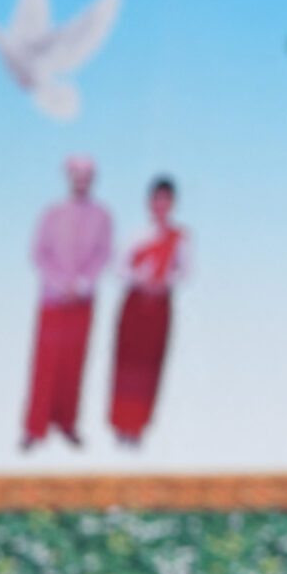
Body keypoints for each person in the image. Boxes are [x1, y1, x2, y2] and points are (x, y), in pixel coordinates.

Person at [24, 155, 113, 448]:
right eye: (77, 176)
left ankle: (67, 423)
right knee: (46, 361)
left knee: (73, 363)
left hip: (83, 301)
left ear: (93, 180)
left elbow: (103, 254)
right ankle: (35, 428)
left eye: (87, 176)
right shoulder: (52, 213)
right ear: (68, 178)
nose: (81, 182)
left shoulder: (103, 216)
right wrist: (61, 283)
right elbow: (39, 253)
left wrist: (83, 282)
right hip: (53, 298)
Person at [108, 176, 184, 445]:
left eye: (167, 200)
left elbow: (186, 271)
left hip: (160, 306)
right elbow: (118, 268)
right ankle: (121, 423)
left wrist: (165, 281)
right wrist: (141, 278)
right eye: (157, 199)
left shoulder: (180, 238)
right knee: (127, 365)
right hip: (135, 304)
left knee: (149, 367)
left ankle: (139, 425)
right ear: (149, 202)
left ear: (173, 203)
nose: (161, 205)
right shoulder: (136, 235)